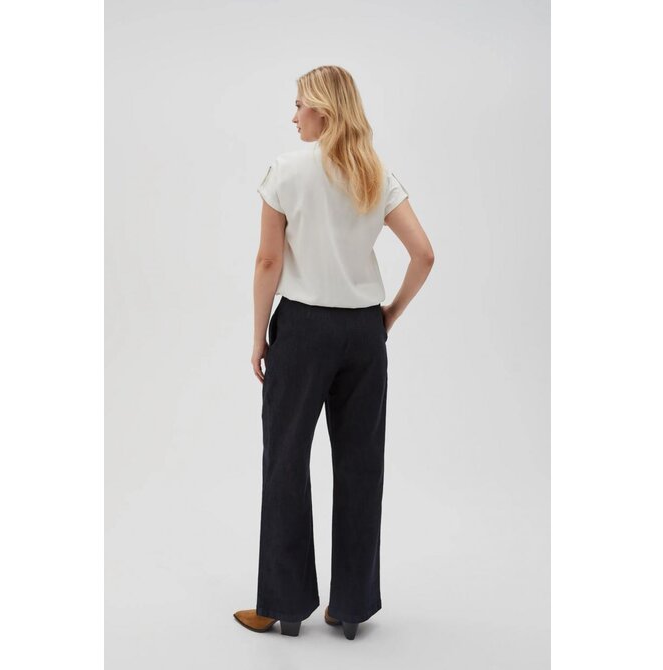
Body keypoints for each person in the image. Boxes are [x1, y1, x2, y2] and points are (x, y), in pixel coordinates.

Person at [234, 65, 434, 640]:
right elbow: (423, 254)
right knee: (360, 466)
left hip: (302, 331)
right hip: (363, 335)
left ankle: (283, 604)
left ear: (322, 110)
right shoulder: (376, 173)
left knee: (285, 462)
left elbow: (268, 261)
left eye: (300, 104)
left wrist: (258, 336)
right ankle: (350, 608)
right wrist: (388, 315)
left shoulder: (286, 170)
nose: (293, 115)